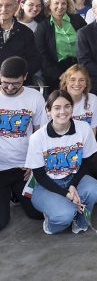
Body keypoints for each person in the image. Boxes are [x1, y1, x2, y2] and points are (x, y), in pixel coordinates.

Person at [25, 90, 97, 234]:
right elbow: (39, 176)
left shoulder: (84, 128)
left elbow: (87, 162)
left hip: (73, 177)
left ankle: (80, 220)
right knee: (65, 214)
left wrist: (73, 184)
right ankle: (52, 223)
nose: (63, 111)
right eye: (57, 108)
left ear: (72, 108)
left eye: (67, 106)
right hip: (47, 184)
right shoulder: (38, 137)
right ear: (48, 110)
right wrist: (66, 193)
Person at [0, 57, 46, 231]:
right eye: (5, 83)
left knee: (37, 213)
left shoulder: (35, 97)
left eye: (15, 83)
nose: (9, 88)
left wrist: (35, 163)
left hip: (24, 168)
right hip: (1, 168)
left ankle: (15, 193)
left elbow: (41, 134)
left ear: (25, 77)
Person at [34, 0, 87, 90]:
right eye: (56, 3)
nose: (60, 6)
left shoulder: (78, 20)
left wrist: (83, 68)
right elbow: (42, 54)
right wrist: (58, 74)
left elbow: (88, 43)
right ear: (49, 5)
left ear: (67, 5)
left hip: (79, 67)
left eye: (63, 3)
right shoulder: (43, 26)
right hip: (56, 72)